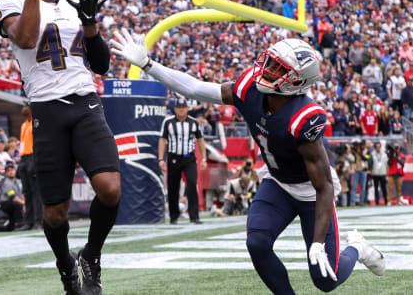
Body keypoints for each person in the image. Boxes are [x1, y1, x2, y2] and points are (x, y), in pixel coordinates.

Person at [112, 32, 385, 294]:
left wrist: (316, 243)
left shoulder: (303, 117)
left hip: (311, 191)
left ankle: (357, 248)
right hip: (277, 181)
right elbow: (196, 88)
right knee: (257, 242)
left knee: (325, 279)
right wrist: (149, 65)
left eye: (277, 68)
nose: (265, 70)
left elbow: (324, 186)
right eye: (269, 62)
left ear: (295, 82)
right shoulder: (249, 89)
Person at [0, 0, 119, 295]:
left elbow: (102, 65)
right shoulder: (10, 3)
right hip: (47, 108)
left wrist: (90, 25)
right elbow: (28, 38)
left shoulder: (68, 6)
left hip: (85, 102)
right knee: (55, 215)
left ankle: (91, 255)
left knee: (110, 190)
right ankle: (66, 266)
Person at [158, 97, 207, 224]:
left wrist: (204, 158)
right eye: (179, 108)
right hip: (173, 157)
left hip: (189, 158)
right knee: (173, 187)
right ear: (175, 109)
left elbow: (200, 140)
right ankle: (174, 216)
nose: (181, 110)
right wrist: (161, 159)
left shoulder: (194, 122)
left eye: (183, 108)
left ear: (187, 108)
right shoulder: (168, 122)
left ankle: (194, 216)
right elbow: (162, 140)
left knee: (191, 183)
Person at [19, 105, 43, 230]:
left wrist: (35, 160)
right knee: (27, 192)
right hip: (24, 158)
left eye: (26, 106)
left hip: (33, 157)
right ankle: (28, 221)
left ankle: (38, 221)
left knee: (36, 192)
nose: (23, 108)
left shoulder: (36, 122)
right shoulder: (24, 124)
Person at [0, 161, 28, 231]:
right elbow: (13, 197)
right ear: (6, 173)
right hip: (6, 203)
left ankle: (13, 225)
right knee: (17, 204)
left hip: (17, 202)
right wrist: (23, 203)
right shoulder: (7, 183)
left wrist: (24, 203)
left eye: (12, 170)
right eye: (8, 171)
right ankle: (19, 223)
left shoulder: (19, 181)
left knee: (19, 205)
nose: (11, 172)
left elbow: (22, 193)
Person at [369, 141, 388, 206]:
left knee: (384, 188)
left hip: (382, 173)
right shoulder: (372, 154)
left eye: (379, 147)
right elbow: (370, 163)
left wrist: (386, 172)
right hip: (375, 173)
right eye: (377, 147)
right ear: (375, 148)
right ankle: (377, 201)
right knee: (376, 188)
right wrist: (370, 171)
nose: (378, 148)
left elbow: (386, 164)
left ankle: (386, 201)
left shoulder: (384, 154)